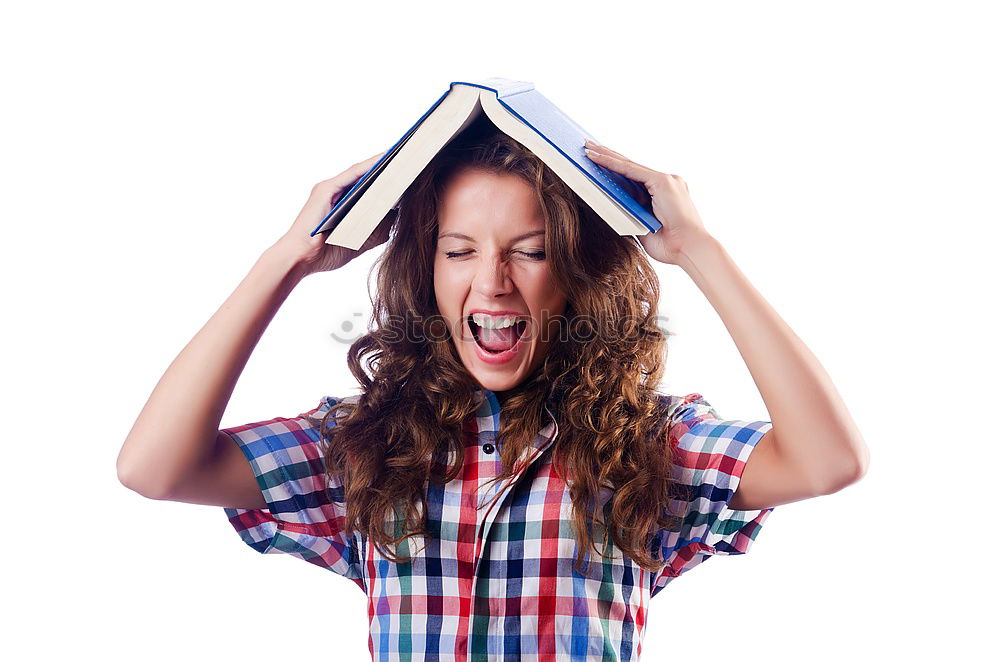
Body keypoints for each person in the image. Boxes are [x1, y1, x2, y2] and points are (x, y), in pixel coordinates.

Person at [117, 123, 869, 661]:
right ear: (427, 269)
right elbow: (154, 468)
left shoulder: (649, 443)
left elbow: (827, 461)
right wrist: (287, 260)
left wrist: (699, 252)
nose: (492, 280)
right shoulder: (365, 446)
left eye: (531, 251)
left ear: (576, 276)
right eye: (459, 250)